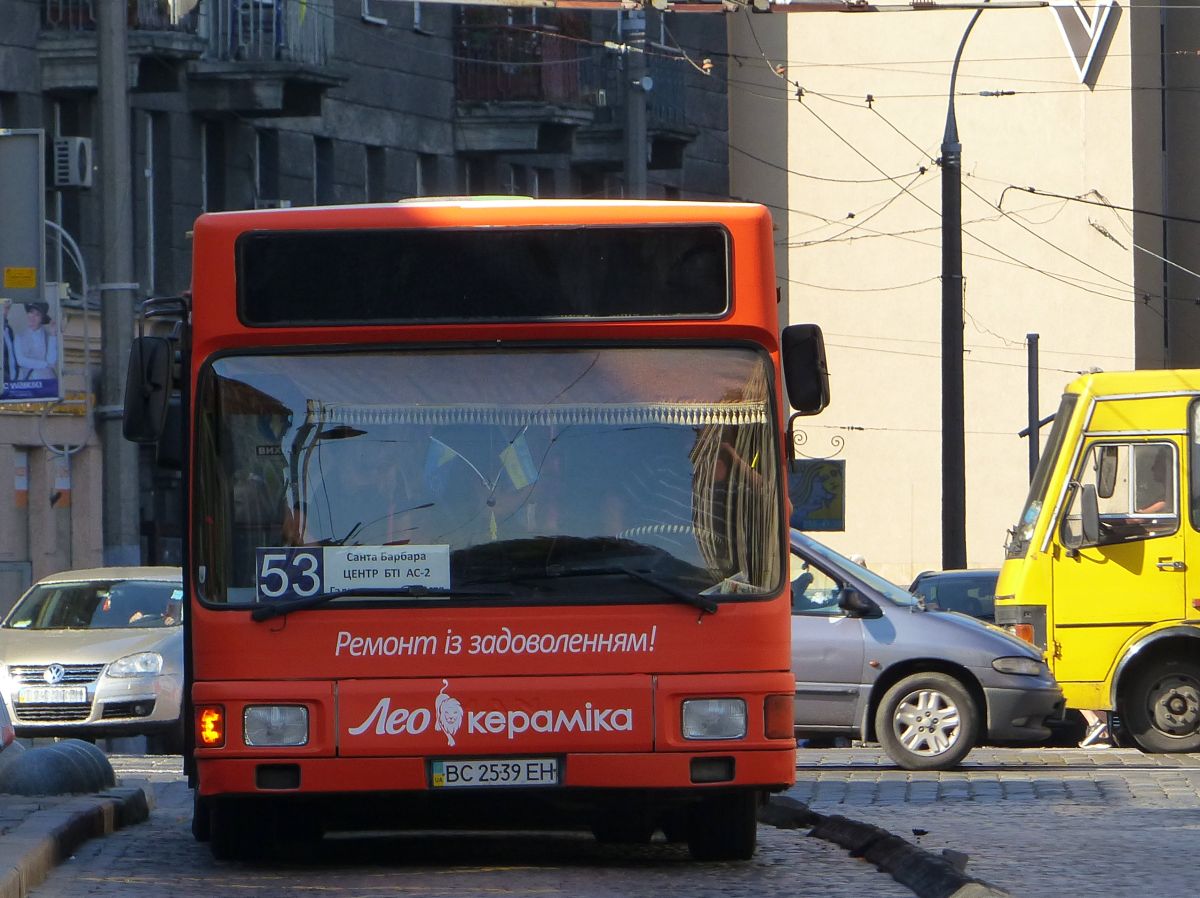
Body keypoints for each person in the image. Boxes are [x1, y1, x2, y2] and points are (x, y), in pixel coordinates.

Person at [13, 302, 58, 381]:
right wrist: (45, 364)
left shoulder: (48, 337)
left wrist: (53, 335)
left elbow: (52, 360)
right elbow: (21, 360)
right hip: (27, 381)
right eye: (31, 313)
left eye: (37, 314)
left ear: (42, 319)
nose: (32, 317)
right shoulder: (19, 337)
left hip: (46, 381)